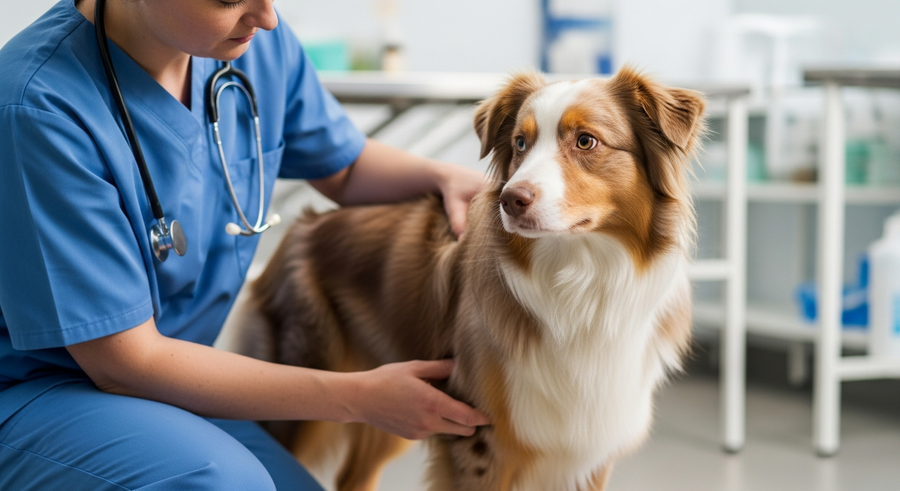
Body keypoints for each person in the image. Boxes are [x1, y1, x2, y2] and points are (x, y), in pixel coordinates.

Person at [0, 0, 490, 489]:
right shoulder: (39, 107)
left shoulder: (252, 45)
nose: (268, 17)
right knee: (228, 483)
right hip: (41, 394)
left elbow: (345, 167)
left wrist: (442, 176)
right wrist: (357, 397)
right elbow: (127, 364)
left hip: (169, 385)